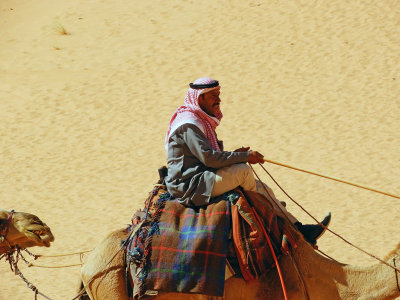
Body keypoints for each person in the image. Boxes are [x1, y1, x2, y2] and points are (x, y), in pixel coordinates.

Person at [164, 77, 331, 245]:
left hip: (203, 176)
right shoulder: (189, 124)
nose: (219, 99)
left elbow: (209, 157)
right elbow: (209, 158)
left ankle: (298, 229)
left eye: (218, 94)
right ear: (200, 98)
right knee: (243, 171)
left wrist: (235, 154)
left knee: (262, 188)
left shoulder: (200, 120)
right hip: (190, 185)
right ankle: (262, 222)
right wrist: (245, 157)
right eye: (213, 95)